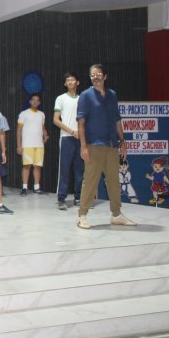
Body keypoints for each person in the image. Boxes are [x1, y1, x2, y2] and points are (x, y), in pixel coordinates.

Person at [76, 64, 136, 229]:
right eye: (92, 75)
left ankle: (116, 214)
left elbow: (117, 120)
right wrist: (83, 146)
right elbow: (81, 123)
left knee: (114, 181)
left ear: (105, 76)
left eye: (98, 74)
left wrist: (122, 141)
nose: (95, 77)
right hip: (94, 145)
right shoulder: (85, 96)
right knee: (90, 181)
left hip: (111, 145)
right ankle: (82, 215)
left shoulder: (112, 95)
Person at [53, 72, 84, 210]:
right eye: (68, 80)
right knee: (64, 170)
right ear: (65, 84)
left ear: (78, 82)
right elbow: (55, 120)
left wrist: (81, 133)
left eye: (73, 80)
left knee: (80, 170)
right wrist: (72, 131)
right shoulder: (60, 98)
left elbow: (85, 119)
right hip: (66, 138)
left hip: (80, 138)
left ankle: (78, 198)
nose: (70, 82)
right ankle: (61, 199)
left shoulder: (82, 99)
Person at [17, 93, 48, 196]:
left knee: (38, 166)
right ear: (30, 101)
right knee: (26, 166)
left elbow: (43, 128)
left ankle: (36, 187)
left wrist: (45, 135)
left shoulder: (42, 114)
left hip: (39, 145)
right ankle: (24, 188)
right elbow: (19, 130)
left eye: (37, 100)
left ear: (39, 102)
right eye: (33, 100)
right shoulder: (23, 114)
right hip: (27, 144)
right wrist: (19, 145)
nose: (35, 102)